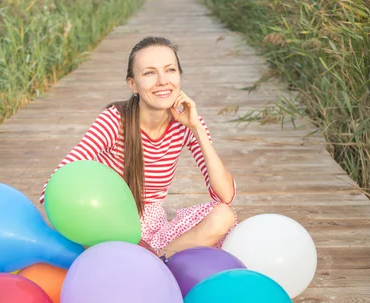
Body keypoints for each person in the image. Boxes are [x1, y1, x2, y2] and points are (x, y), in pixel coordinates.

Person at [39, 36, 237, 258]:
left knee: (224, 215)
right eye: (149, 73)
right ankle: (144, 261)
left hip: (155, 230)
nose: (162, 81)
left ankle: (158, 260)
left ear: (179, 76)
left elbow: (225, 196)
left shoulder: (186, 124)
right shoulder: (115, 120)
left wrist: (197, 129)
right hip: (110, 225)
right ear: (133, 84)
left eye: (170, 70)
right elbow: (55, 182)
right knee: (117, 248)